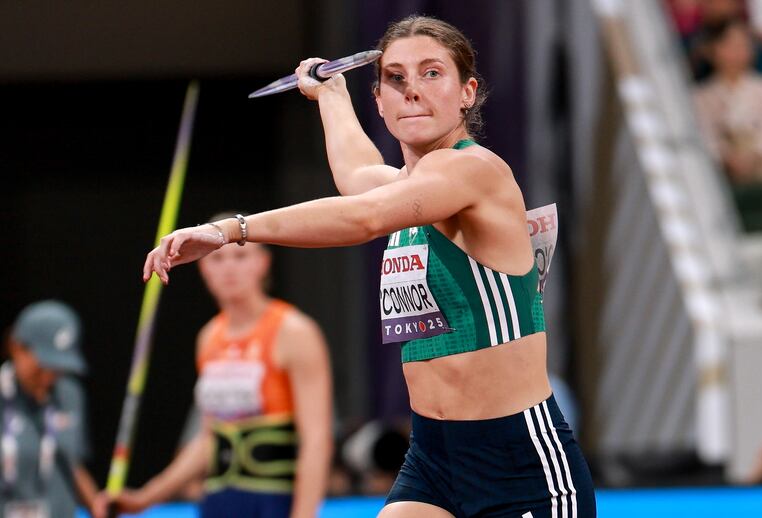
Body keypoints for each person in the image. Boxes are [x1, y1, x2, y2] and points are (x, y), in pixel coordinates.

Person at [143, 15, 596, 518]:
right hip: (433, 456)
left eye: (431, 73)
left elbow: (365, 216)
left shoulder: (474, 170)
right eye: (396, 78)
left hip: (517, 459)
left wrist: (230, 229)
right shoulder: (409, 187)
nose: (413, 91)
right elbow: (357, 175)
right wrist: (333, 94)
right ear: (378, 101)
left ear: (467, 92)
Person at [116, 216, 333, 518]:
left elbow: (316, 439)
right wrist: (145, 498)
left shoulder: (294, 332)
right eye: (217, 258)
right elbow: (208, 439)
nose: (229, 268)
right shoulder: (209, 338)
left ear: (262, 262)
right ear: (203, 267)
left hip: (273, 503)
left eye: (241, 255)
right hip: (219, 503)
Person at [1, 300, 105, 518]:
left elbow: (71, 464)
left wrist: (98, 506)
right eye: (42, 365)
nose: (48, 377)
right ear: (15, 347)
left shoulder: (70, 394)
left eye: (58, 368)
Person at [693, 18, 762, 186]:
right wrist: (727, 156)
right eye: (729, 45)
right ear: (712, 49)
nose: (737, 51)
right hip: (722, 176)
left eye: (743, 45)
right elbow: (705, 138)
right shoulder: (701, 95)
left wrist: (752, 155)